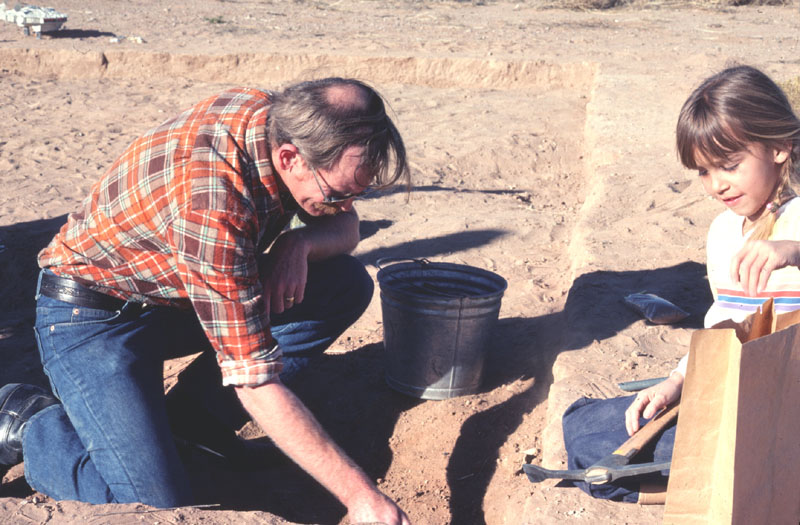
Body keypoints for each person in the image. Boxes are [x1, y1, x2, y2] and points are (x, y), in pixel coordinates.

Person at [0, 77, 412, 524]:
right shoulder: (214, 206)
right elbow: (253, 381)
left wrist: (300, 244)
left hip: (175, 295)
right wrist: (361, 497)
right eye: (336, 195)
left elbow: (346, 230)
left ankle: (194, 426)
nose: (343, 205)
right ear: (290, 157)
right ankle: (28, 423)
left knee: (342, 284)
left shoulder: (279, 121)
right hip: (92, 317)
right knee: (152, 509)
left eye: (354, 194)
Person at [561, 64, 800, 502]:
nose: (717, 186)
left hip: (786, 418)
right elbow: (726, 331)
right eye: (704, 172)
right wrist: (676, 383)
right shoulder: (724, 233)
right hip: (739, 401)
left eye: (729, 166)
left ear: (780, 148)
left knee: (599, 461)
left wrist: (792, 250)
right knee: (582, 426)